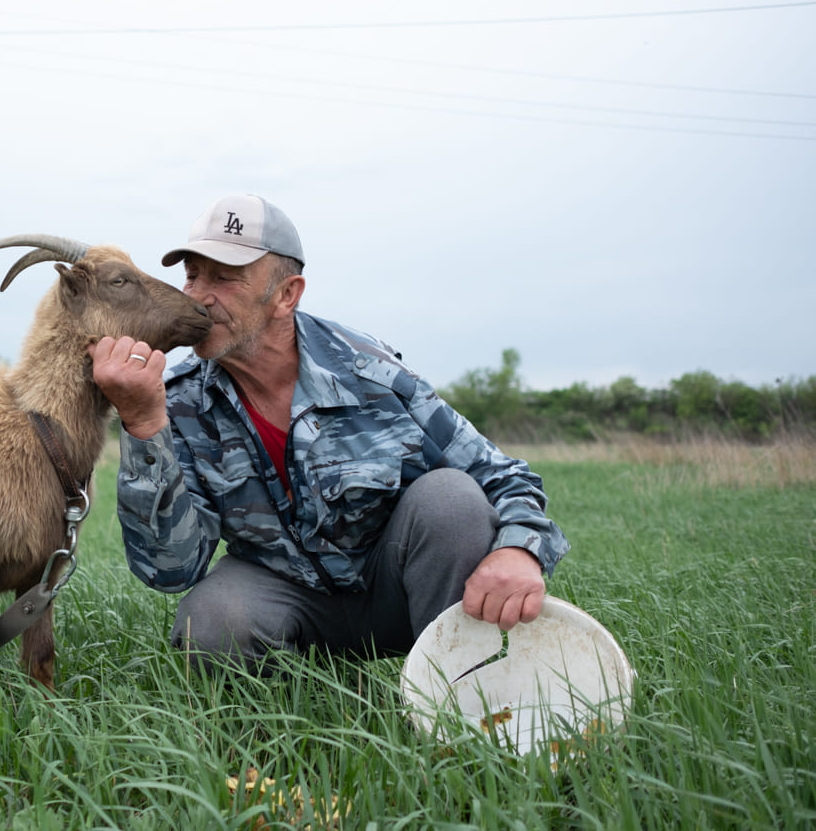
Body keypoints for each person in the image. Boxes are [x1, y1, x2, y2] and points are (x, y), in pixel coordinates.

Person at [88, 194, 569, 670]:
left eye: (224, 278)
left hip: (395, 592)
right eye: (193, 275)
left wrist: (518, 551)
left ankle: (452, 688)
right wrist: (144, 426)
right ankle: (288, 708)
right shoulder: (178, 400)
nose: (197, 296)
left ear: (286, 294)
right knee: (212, 621)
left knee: (452, 500)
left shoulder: (370, 372)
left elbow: (503, 477)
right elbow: (171, 570)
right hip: (284, 597)